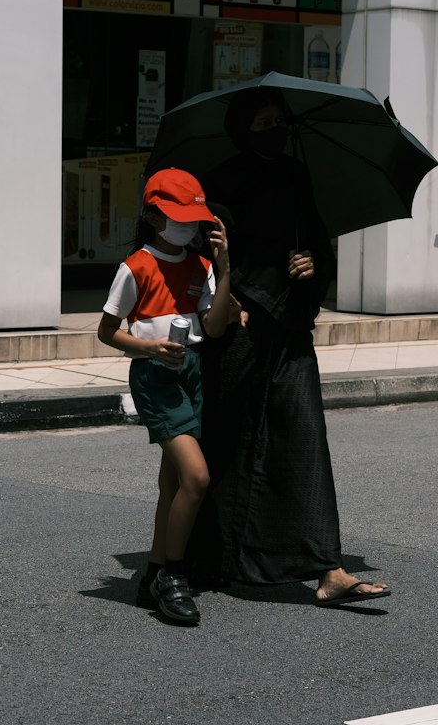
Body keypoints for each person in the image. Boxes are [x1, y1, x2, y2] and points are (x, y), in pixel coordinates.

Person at [191, 85, 391, 608]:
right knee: (231, 439)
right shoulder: (221, 184)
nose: (273, 131)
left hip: (288, 329)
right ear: (242, 130)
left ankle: (329, 568)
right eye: (262, 124)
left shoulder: (297, 176)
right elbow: (204, 256)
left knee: (305, 438)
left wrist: (310, 266)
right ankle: (215, 558)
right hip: (240, 328)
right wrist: (227, 297)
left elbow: (317, 247)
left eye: (279, 121)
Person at [97, 168, 232, 625]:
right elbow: (106, 332)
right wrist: (151, 348)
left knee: (172, 483)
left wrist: (225, 267)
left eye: (195, 219)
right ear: (154, 217)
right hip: (155, 375)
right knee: (195, 478)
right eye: (179, 218)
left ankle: (153, 572)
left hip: (193, 371)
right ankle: (172, 576)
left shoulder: (202, 266)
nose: (189, 226)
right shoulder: (135, 266)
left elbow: (213, 327)